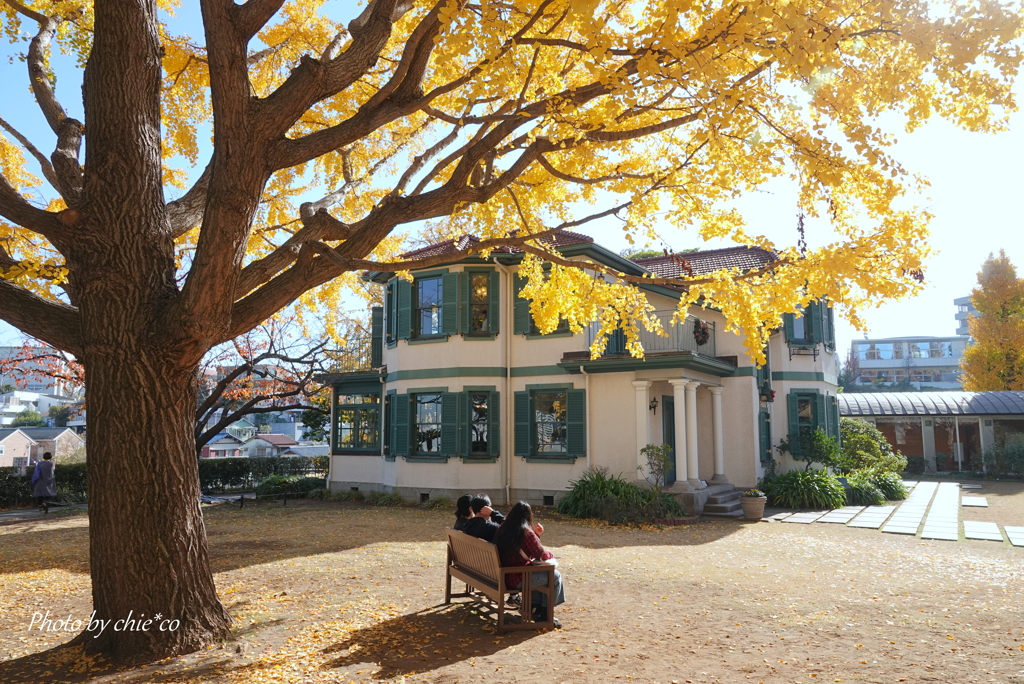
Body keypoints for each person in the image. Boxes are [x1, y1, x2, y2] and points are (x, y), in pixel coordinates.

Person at [493, 501, 565, 628]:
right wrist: (551, 555)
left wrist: (536, 535)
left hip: (503, 575)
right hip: (516, 578)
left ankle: (535, 608)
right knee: (555, 576)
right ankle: (546, 614)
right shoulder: (525, 532)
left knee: (540, 573)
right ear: (528, 516)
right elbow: (541, 554)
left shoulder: (503, 528)